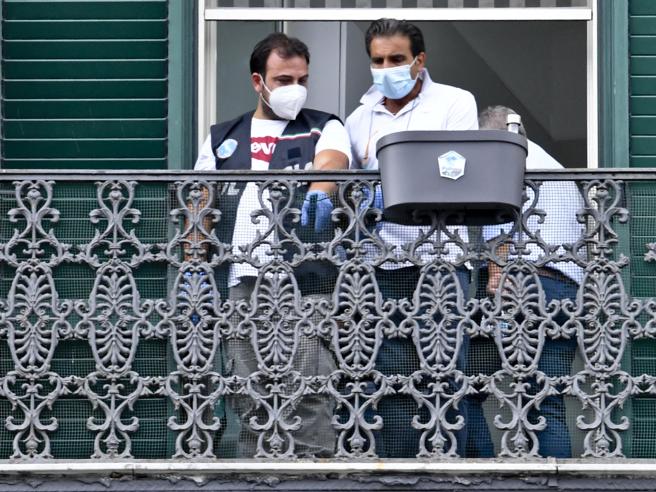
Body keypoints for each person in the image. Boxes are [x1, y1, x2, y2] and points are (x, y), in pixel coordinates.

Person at [194, 32, 351, 457]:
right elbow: (201, 204)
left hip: (302, 278)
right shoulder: (223, 136)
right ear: (257, 81)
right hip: (238, 279)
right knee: (248, 389)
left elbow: (333, 161)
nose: (294, 90)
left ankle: (314, 474)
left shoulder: (324, 124)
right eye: (283, 80)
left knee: (309, 385)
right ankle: (256, 472)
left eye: (301, 80)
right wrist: (194, 265)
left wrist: (320, 190)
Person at [344, 18, 478, 458]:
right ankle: (397, 472)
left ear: (419, 61)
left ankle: (447, 471)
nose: (386, 68)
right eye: (378, 60)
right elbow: (350, 190)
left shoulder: (455, 102)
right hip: (378, 266)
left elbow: (457, 171)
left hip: (440, 264)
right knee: (388, 379)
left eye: (396, 59)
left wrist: (392, 185)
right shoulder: (359, 117)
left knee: (442, 374)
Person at [471, 105, 584, 458]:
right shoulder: (552, 165)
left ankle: (477, 475)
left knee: (463, 387)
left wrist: (496, 268)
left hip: (524, 287)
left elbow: (506, 209)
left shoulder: (509, 154)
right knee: (546, 401)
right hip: (564, 289)